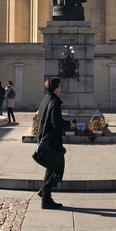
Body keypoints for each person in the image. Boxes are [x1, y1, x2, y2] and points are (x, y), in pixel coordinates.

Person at [37, 77, 76, 209]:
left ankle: (44, 192)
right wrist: (69, 124)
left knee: (53, 167)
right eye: (59, 86)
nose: (60, 89)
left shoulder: (45, 100)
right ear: (56, 88)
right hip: (51, 140)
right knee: (55, 168)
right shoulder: (54, 101)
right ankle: (46, 198)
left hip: (45, 138)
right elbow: (56, 122)